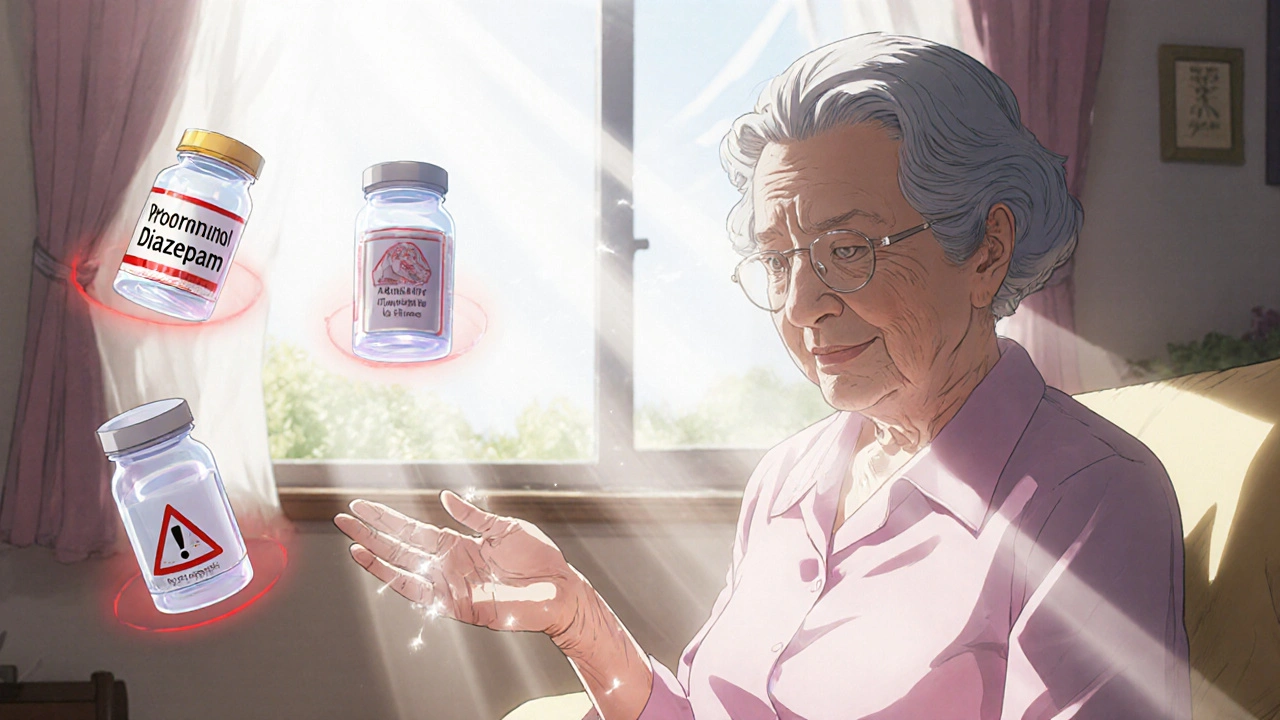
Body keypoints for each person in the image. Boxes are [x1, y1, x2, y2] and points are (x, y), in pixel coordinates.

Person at [334, 33, 1191, 719]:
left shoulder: (1090, 500)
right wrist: (577, 616)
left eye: (847, 251)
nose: (802, 304)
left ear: (988, 248)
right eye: (780, 262)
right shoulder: (789, 476)